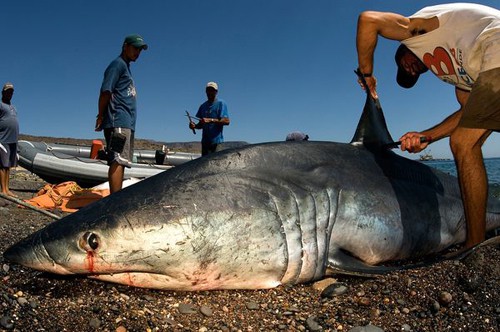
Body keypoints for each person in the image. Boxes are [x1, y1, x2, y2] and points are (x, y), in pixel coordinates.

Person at [356, 3, 500, 250]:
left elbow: (369, 20)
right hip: (489, 65)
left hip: (495, 41)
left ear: (403, 51)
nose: (410, 71)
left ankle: (475, 245)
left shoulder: (416, 31)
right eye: (411, 75)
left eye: (406, 66)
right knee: (466, 137)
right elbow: (468, 115)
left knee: (463, 143)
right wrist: (426, 137)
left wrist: (366, 75)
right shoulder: (457, 75)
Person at [95, 34, 148, 194]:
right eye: (135, 48)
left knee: (122, 160)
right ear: (125, 46)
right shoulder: (117, 65)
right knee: (117, 160)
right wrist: (101, 115)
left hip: (126, 123)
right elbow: (106, 91)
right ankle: (114, 201)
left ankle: (115, 197)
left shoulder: (126, 67)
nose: (137, 52)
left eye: (140, 50)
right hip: (118, 120)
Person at [189, 82, 230, 155]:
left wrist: (211, 120)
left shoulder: (221, 103)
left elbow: (227, 121)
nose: (210, 92)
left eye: (212, 90)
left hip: (216, 143)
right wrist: (194, 126)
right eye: (208, 90)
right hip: (205, 143)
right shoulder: (203, 106)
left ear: (216, 92)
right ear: (206, 91)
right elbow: (201, 124)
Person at [0, 82, 19, 197]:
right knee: (2, 165)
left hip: (13, 139)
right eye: (7, 91)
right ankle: (3, 190)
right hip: (2, 139)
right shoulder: (0, 105)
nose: (9, 93)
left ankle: (7, 189)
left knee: (8, 165)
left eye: (11, 92)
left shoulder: (13, 107)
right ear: (3, 92)